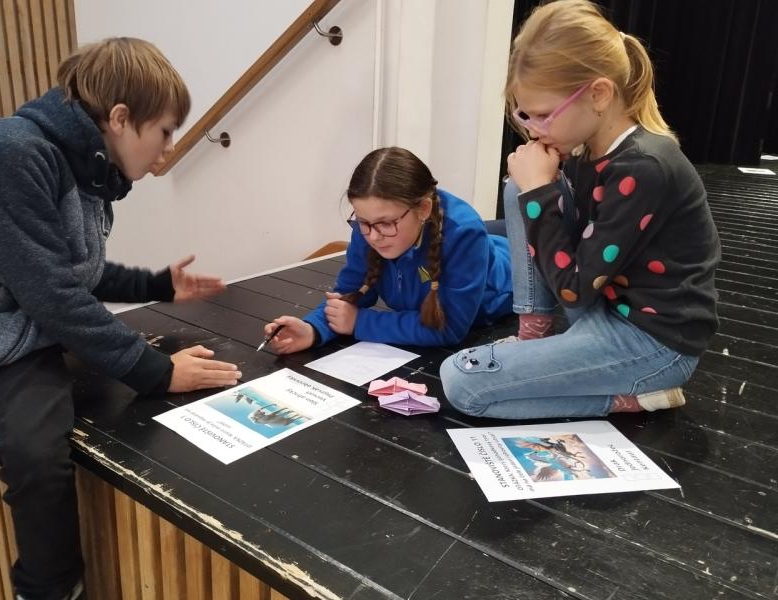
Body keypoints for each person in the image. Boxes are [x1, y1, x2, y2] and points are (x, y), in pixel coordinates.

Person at [0, 38, 242, 600]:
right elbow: (49, 291)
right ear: (120, 118)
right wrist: (156, 371)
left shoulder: (94, 172)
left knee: (37, 457)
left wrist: (154, 286)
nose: (168, 149)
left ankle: (47, 591)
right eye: (165, 131)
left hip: (14, 340)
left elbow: (70, 270)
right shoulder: (10, 149)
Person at [439, 0, 720, 420]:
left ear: (598, 94)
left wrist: (539, 192)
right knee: (519, 187)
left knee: (462, 382)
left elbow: (573, 289)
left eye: (544, 115)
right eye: (525, 115)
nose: (533, 130)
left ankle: (632, 397)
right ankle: (534, 333)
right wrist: (531, 192)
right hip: (602, 306)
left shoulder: (644, 168)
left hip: (653, 343)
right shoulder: (587, 148)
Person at [264, 146, 513, 352]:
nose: (373, 236)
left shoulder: (464, 234)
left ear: (423, 210)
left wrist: (360, 322)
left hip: (511, 279)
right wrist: (312, 329)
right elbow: (350, 295)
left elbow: (448, 328)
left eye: (386, 223)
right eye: (363, 222)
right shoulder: (371, 223)